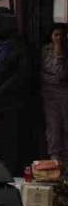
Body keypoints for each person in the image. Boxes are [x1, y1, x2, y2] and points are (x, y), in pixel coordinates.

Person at [0, 35, 41, 174]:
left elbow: (22, 75)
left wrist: (2, 91)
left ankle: (11, 171)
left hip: (12, 104)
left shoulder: (20, 48)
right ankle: (0, 169)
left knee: (11, 140)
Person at [40, 23, 68, 163]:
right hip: (50, 93)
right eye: (56, 35)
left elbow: (61, 73)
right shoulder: (46, 50)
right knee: (54, 126)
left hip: (64, 92)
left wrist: (60, 53)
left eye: (62, 35)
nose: (59, 38)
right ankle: (55, 157)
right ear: (51, 36)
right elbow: (51, 72)